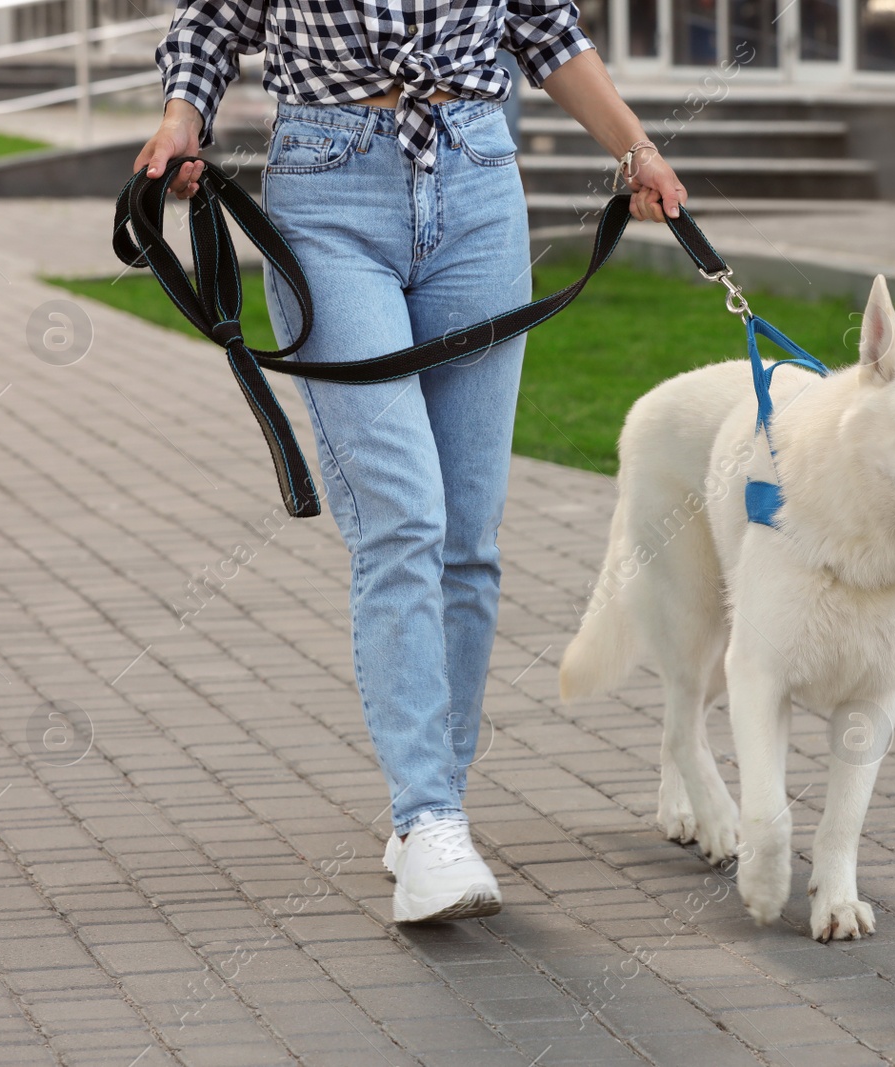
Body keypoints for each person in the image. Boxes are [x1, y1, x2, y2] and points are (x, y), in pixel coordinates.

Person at [135, 0, 686, 923]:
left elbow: (544, 29)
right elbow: (212, 25)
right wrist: (180, 121)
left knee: (468, 536)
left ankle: (437, 809)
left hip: (476, 184)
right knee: (404, 516)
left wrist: (636, 149)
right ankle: (429, 816)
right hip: (329, 189)